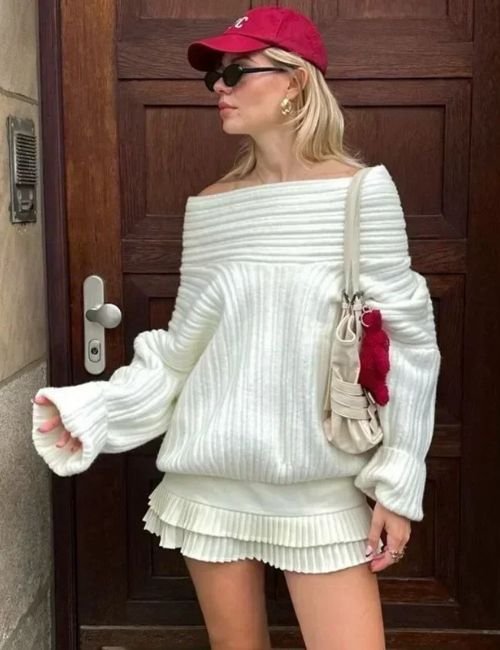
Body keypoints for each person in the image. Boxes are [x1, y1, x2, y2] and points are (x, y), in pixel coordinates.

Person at [32, 6, 441, 649]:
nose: (218, 88)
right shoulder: (211, 206)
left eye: (234, 72)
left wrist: (398, 484)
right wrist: (100, 410)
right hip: (211, 476)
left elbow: (412, 345)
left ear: (295, 81)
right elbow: (184, 349)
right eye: (213, 76)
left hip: (320, 484)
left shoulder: (362, 194)